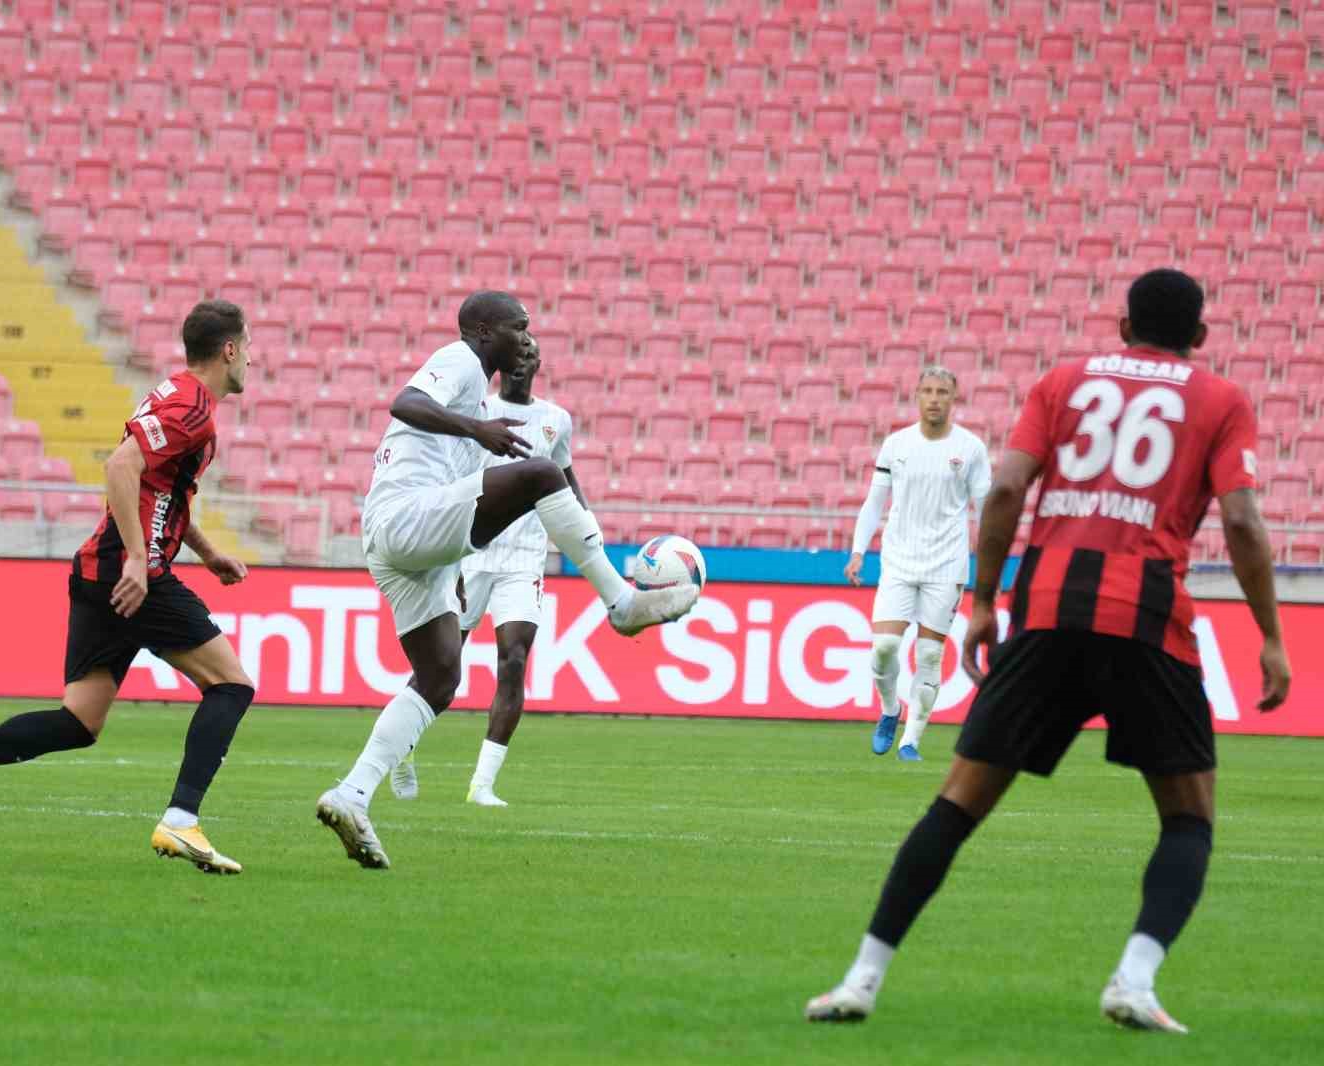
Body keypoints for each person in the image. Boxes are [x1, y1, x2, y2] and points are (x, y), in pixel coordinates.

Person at [807, 269, 1291, 1032]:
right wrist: (1270, 636)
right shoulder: (1222, 401)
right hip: (1149, 619)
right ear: (1199, 338)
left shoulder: (1063, 380)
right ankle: (1134, 980)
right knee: (1189, 820)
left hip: (1047, 610)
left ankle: (860, 979)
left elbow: (1003, 492)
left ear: (1121, 324)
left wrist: (985, 603)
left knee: (957, 804)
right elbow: (1242, 525)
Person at [316, 291, 698, 868]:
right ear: (486, 329)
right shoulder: (462, 360)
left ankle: (352, 794)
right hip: (408, 515)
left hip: (403, 539)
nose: (526, 337)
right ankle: (619, 603)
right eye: (519, 327)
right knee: (542, 473)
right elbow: (404, 402)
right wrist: (478, 430)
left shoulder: (513, 398)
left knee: (441, 677)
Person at [0, 300, 258, 875]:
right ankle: (180, 819)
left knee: (78, 721)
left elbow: (157, 489)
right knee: (231, 685)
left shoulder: (178, 395)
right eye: (250, 348)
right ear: (230, 349)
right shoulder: (194, 410)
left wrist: (209, 553)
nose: (252, 361)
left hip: (100, 569)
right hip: (127, 571)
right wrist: (141, 562)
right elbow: (121, 467)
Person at [387, 342, 583, 807]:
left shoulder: (558, 419)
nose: (522, 360)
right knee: (440, 664)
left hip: (524, 558)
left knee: (513, 659)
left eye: (531, 354)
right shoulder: (479, 411)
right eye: (518, 351)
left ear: (537, 364)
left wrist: (588, 538)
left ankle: (482, 784)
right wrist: (444, 558)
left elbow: (566, 482)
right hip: (469, 550)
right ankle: (402, 747)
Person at [845, 368, 991, 761]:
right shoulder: (896, 445)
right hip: (899, 561)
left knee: (928, 655)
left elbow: (987, 507)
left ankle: (911, 740)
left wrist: (990, 552)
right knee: (885, 648)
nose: (934, 398)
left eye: (942, 391)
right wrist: (859, 549)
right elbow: (875, 502)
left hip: (946, 565)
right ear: (917, 395)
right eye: (927, 390)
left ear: (954, 396)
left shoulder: (971, 449)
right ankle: (891, 708)